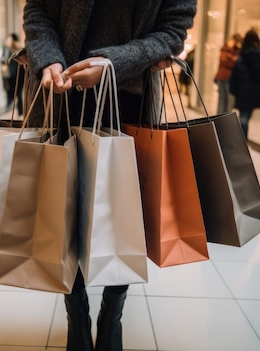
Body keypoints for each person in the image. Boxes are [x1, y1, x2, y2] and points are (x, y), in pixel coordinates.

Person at [20, 1, 197, 350]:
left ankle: (112, 313)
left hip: (129, 92)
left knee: (126, 213)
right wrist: (48, 58)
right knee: (62, 211)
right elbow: (38, 11)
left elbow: (173, 28)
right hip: (61, 90)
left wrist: (114, 62)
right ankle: (77, 312)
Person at [229, 30, 260, 138]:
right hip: (253, 90)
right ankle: (243, 141)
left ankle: (242, 141)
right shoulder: (258, 55)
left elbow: (235, 74)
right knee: (246, 117)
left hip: (242, 90)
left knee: (243, 116)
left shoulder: (241, 55)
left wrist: (233, 89)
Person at [214, 34, 241, 114]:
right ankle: (221, 119)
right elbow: (229, 63)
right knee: (224, 99)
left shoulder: (234, 51)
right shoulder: (226, 50)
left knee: (228, 100)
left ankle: (223, 118)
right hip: (224, 77)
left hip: (228, 77)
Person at [1, 33, 25, 114]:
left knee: (18, 93)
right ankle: (14, 109)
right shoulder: (7, 50)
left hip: (17, 74)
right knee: (12, 92)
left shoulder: (17, 49)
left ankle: (19, 111)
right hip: (11, 75)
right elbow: (3, 61)